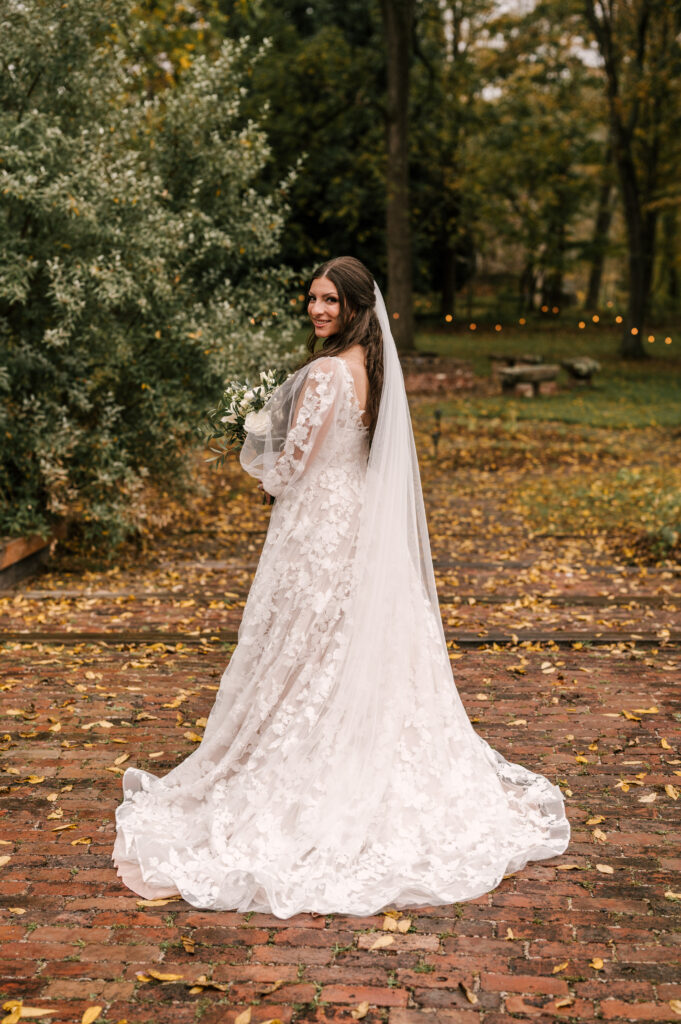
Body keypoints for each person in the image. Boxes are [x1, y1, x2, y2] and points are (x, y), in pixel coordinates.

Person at [113, 256, 570, 917]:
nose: (319, 309)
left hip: (319, 532)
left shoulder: (327, 374)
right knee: (344, 646)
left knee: (305, 645)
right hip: (355, 521)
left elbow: (290, 469)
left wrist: (256, 449)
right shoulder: (371, 371)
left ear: (356, 306)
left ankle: (305, 771)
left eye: (331, 299)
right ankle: (351, 751)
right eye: (313, 299)